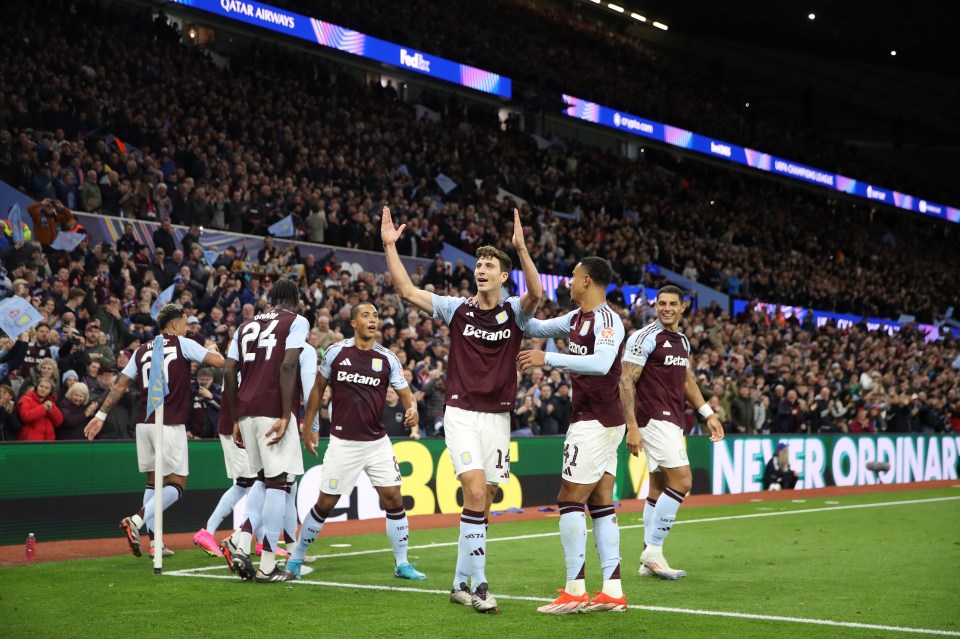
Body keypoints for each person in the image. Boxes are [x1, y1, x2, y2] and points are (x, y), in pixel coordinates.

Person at [382, 206, 543, 613]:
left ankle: (458, 584)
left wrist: (522, 249)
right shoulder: (456, 308)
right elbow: (407, 291)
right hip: (461, 414)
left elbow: (537, 294)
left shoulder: (515, 314)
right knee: (473, 491)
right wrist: (389, 247)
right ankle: (482, 585)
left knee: (483, 502)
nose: (482, 270)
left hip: (499, 418)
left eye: (490, 265)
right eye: (479, 265)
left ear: (504, 276)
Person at [516, 256, 628, 613]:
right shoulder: (576, 319)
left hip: (596, 420)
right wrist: (505, 309)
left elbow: (599, 364)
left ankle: (575, 589)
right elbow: (534, 327)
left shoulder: (608, 321)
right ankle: (612, 591)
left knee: (568, 498)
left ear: (589, 282)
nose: (568, 282)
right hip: (598, 419)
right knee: (600, 502)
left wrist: (547, 360)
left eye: (574, 277)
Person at [285, 302, 425, 581]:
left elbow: (407, 394)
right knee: (325, 503)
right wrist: (308, 426)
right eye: (366, 315)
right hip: (343, 442)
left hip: (377, 442)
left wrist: (413, 411)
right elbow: (317, 390)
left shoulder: (387, 358)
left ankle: (402, 563)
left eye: (375, 316)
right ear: (353, 323)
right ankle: (296, 558)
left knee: (394, 498)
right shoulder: (337, 353)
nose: (373, 320)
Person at [83, 303, 225, 559]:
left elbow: (120, 385)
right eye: (184, 322)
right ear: (174, 324)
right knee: (177, 485)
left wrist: (100, 414)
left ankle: (155, 543)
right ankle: (136, 521)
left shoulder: (140, 350)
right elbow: (219, 362)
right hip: (169, 423)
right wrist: (213, 349)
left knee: (153, 482)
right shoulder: (183, 343)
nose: (186, 327)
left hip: (144, 423)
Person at [619, 285, 724, 579]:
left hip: (672, 419)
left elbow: (686, 379)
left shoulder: (682, 341)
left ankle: (646, 560)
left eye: (672, 303)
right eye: (661, 303)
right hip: (653, 419)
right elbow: (626, 382)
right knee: (683, 481)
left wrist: (707, 413)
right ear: (655, 306)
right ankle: (653, 551)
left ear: (683, 307)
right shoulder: (644, 337)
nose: (666, 308)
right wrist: (632, 428)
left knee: (658, 487)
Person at [221, 278, 308, 583]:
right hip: (273, 410)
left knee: (260, 480)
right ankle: (268, 565)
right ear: (295, 300)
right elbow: (288, 366)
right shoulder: (297, 321)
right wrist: (286, 415)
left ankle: (240, 541)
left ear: (271, 299)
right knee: (279, 484)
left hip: (244, 409)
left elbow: (229, 370)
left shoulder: (244, 326)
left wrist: (234, 417)